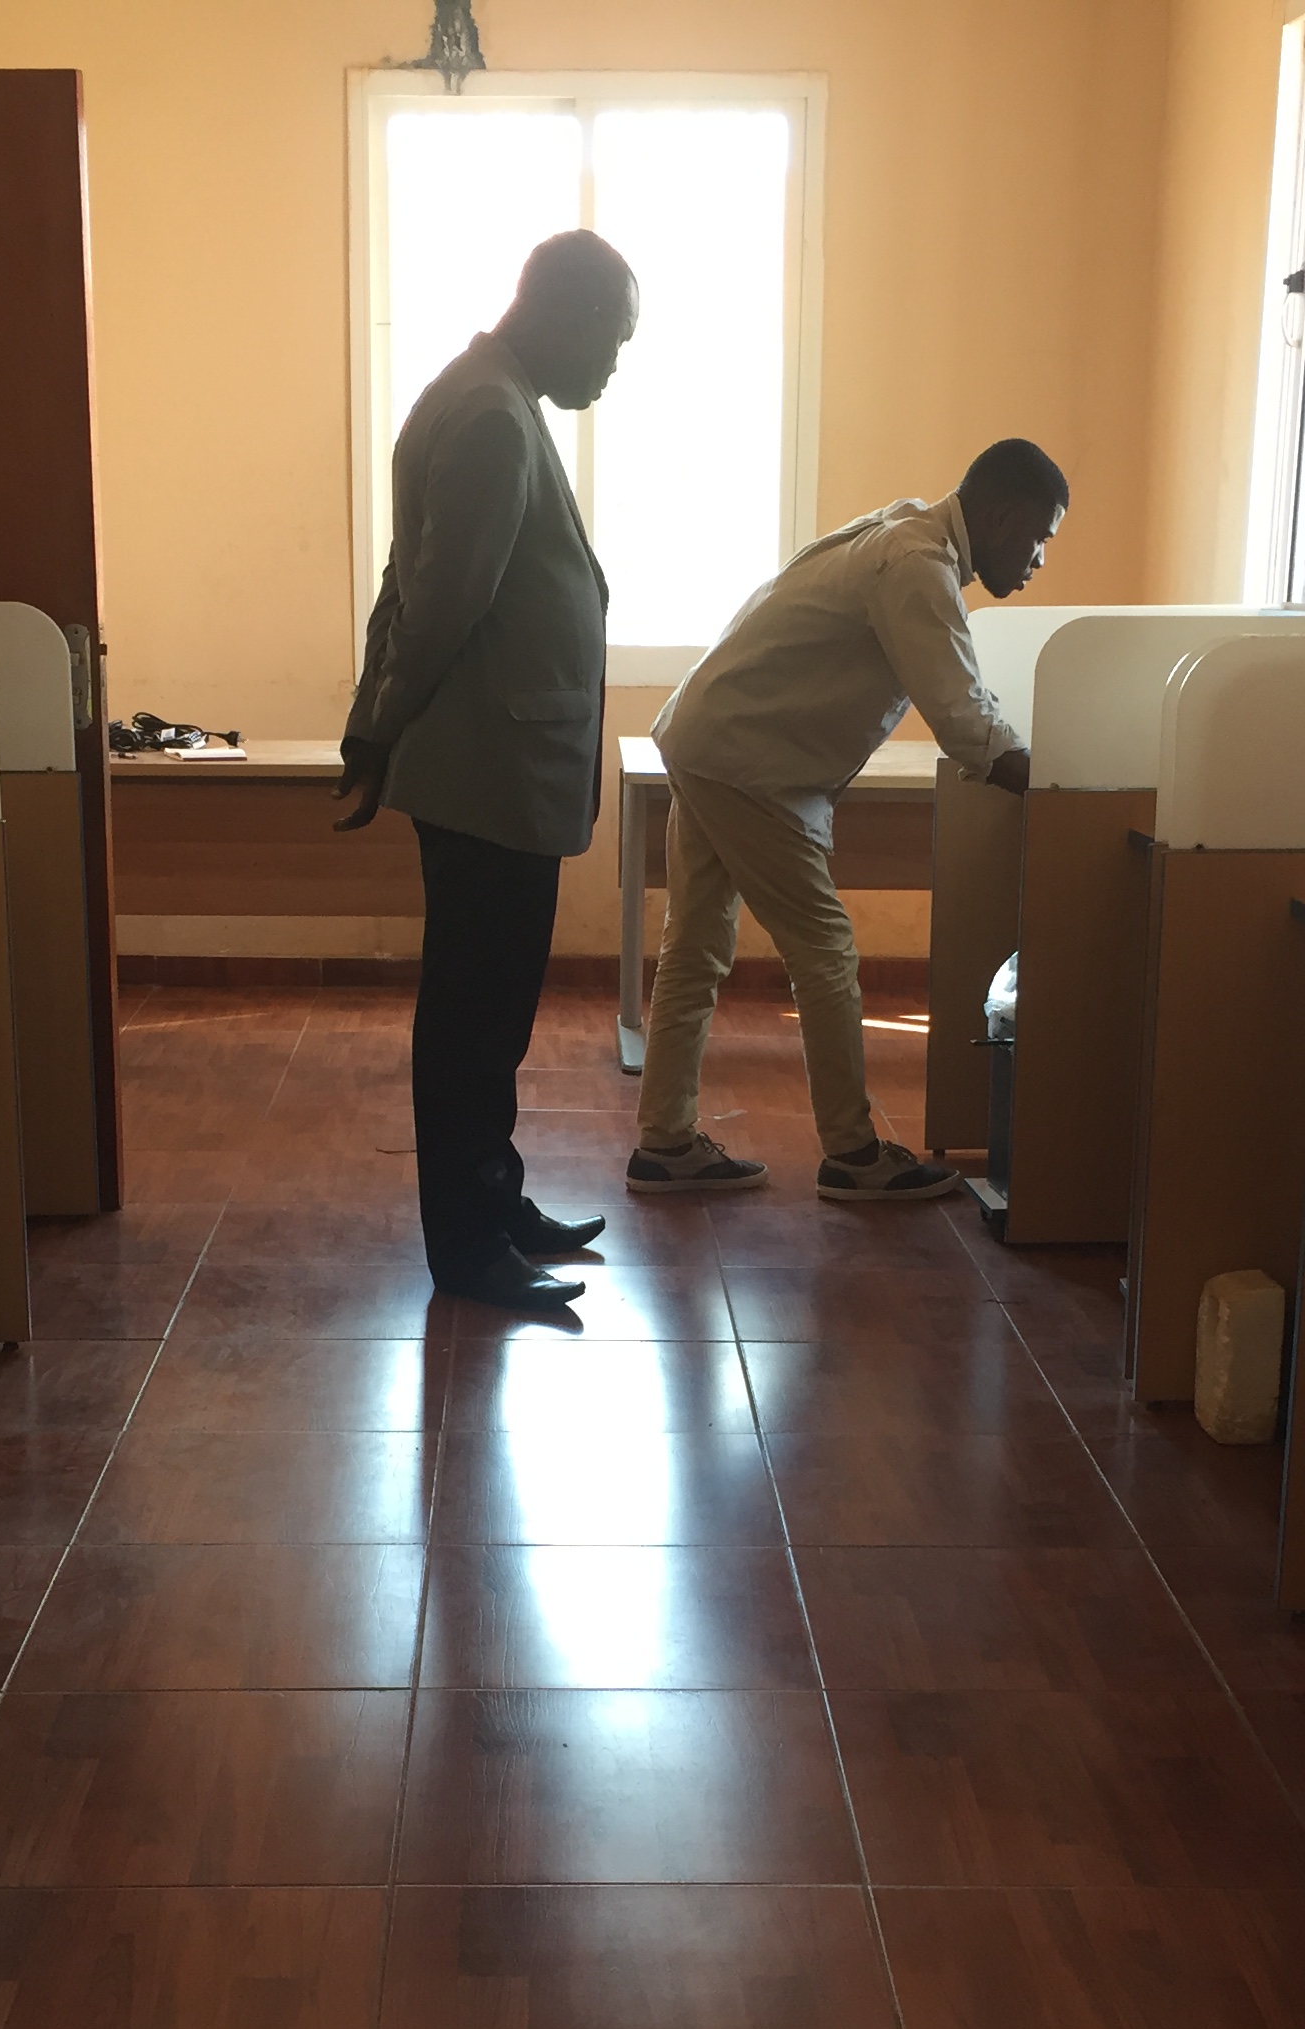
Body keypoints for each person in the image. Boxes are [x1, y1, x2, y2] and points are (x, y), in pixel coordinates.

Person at [626, 439, 1070, 1201]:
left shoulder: (902, 532)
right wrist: (1070, 791)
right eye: (1038, 537)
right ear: (1001, 517)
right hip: (748, 763)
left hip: (711, 742)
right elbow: (965, 722)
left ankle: (665, 1142)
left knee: (695, 947)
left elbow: (966, 703)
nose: (1038, 561)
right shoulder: (917, 566)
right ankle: (853, 1154)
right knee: (824, 952)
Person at [337, 231, 638, 1311]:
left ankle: (493, 1201)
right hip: (487, 776)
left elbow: (407, 581)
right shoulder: (490, 417)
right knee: (472, 1022)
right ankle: (467, 1249)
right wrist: (376, 729)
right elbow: (436, 606)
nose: (613, 366)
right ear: (565, 312)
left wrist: (371, 722)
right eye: (612, 339)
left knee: (492, 1018)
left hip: (500, 771)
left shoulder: (488, 396)